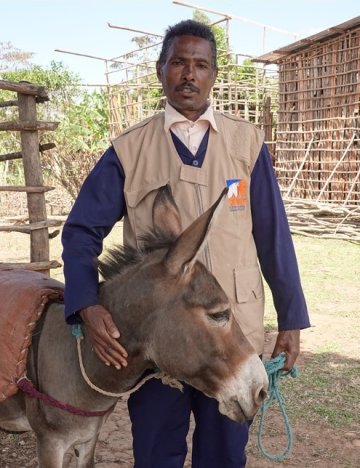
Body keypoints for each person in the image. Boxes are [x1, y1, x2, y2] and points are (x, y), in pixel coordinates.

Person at [62, 19, 310, 468]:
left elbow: (274, 237)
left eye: (200, 65)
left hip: (229, 339)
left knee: (224, 456)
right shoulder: (128, 151)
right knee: (157, 454)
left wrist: (291, 319)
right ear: (161, 71)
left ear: (214, 75)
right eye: (178, 62)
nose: (189, 74)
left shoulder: (246, 145)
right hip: (159, 344)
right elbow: (81, 232)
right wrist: (85, 302)